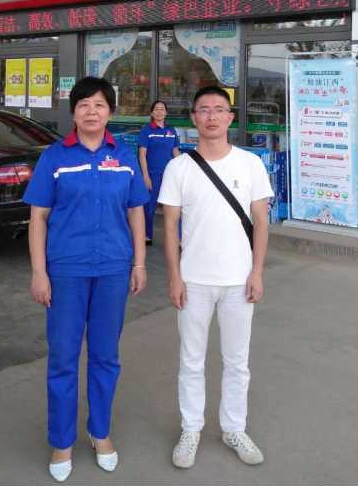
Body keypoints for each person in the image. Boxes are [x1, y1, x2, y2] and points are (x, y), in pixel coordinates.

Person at [24, 76, 150, 483]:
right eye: (83, 105)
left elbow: (135, 211)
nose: (91, 111)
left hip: (113, 269)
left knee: (105, 356)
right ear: (74, 113)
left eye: (99, 104)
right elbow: (38, 218)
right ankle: (62, 441)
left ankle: (100, 433)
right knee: (63, 357)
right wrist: (39, 272)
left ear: (110, 112)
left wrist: (140, 263)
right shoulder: (54, 157)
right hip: (66, 271)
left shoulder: (124, 155)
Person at [158, 86, 273, 469]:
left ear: (230, 117)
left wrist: (257, 271)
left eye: (219, 110)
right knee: (191, 360)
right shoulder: (179, 168)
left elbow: (261, 221)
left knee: (237, 361)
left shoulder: (250, 164)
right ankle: (191, 429)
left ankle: (234, 428)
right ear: (193, 118)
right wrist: (174, 276)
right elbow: (170, 226)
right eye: (204, 110)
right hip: (194, 281)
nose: (212, 116)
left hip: (240, 281)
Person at [138, 100, 181, 244]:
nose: (159, 112)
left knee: (174, 206)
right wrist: (145, 176)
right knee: (149, 207)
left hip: (170, 174)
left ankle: (178, 238)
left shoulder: (171, 130)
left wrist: (181, 171)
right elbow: (142, 154)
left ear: (166, 112)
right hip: (153, 174)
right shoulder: (146, 131)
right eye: (156, 109)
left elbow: (175, 151)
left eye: (162, 109)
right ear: (151, 112)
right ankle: (147, 235)